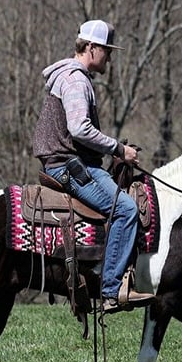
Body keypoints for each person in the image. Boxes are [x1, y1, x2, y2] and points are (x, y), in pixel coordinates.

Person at [32, 19, 155, 314]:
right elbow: (79, 129)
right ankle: (112, 290)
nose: (110, 57)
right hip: (69, 166)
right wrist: (117, 148)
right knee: (126, 210)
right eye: (106, 50)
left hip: (69, 161)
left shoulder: (69, 76)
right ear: (90, 47)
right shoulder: (75, 81)